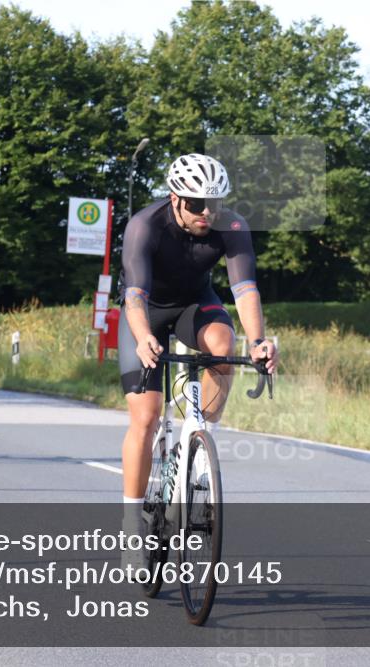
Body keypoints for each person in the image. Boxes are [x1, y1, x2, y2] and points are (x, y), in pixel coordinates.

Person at [117, 153, 278, 565]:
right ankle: (132, 524)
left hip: (194, 306)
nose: (208, 213)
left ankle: (200, 440)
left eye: (215, 204)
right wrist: (142, 338)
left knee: (225, 343)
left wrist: (258, 342)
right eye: (196, 204)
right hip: (145, 312)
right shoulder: (144, 226)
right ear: (175, 199)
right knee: (147, 417)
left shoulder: (232, 225)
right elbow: (134, 295)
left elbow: (245, 289)